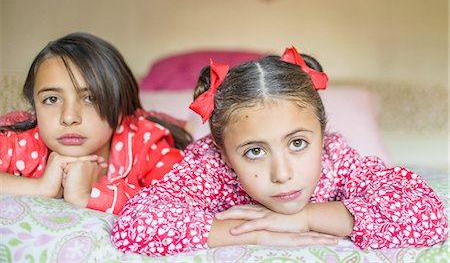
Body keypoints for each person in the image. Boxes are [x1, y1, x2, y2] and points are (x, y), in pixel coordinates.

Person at [111, 47, 448, 256]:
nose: (283, 174)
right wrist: (258, 233)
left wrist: (302, 219)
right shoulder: (209, 167)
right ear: (223, 152)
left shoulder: (336, 158)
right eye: (255, 151)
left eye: (298, 143)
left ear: (322, 135)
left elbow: (426, 216)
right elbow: (137, 224)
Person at [0, 32, 192, 214]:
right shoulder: (23, 143)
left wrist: (88, 196)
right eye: (51, 99)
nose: (68, 117)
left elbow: (181, 203)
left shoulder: (146, 145)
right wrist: (40, 187)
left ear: (119, 110)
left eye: (90, 98)